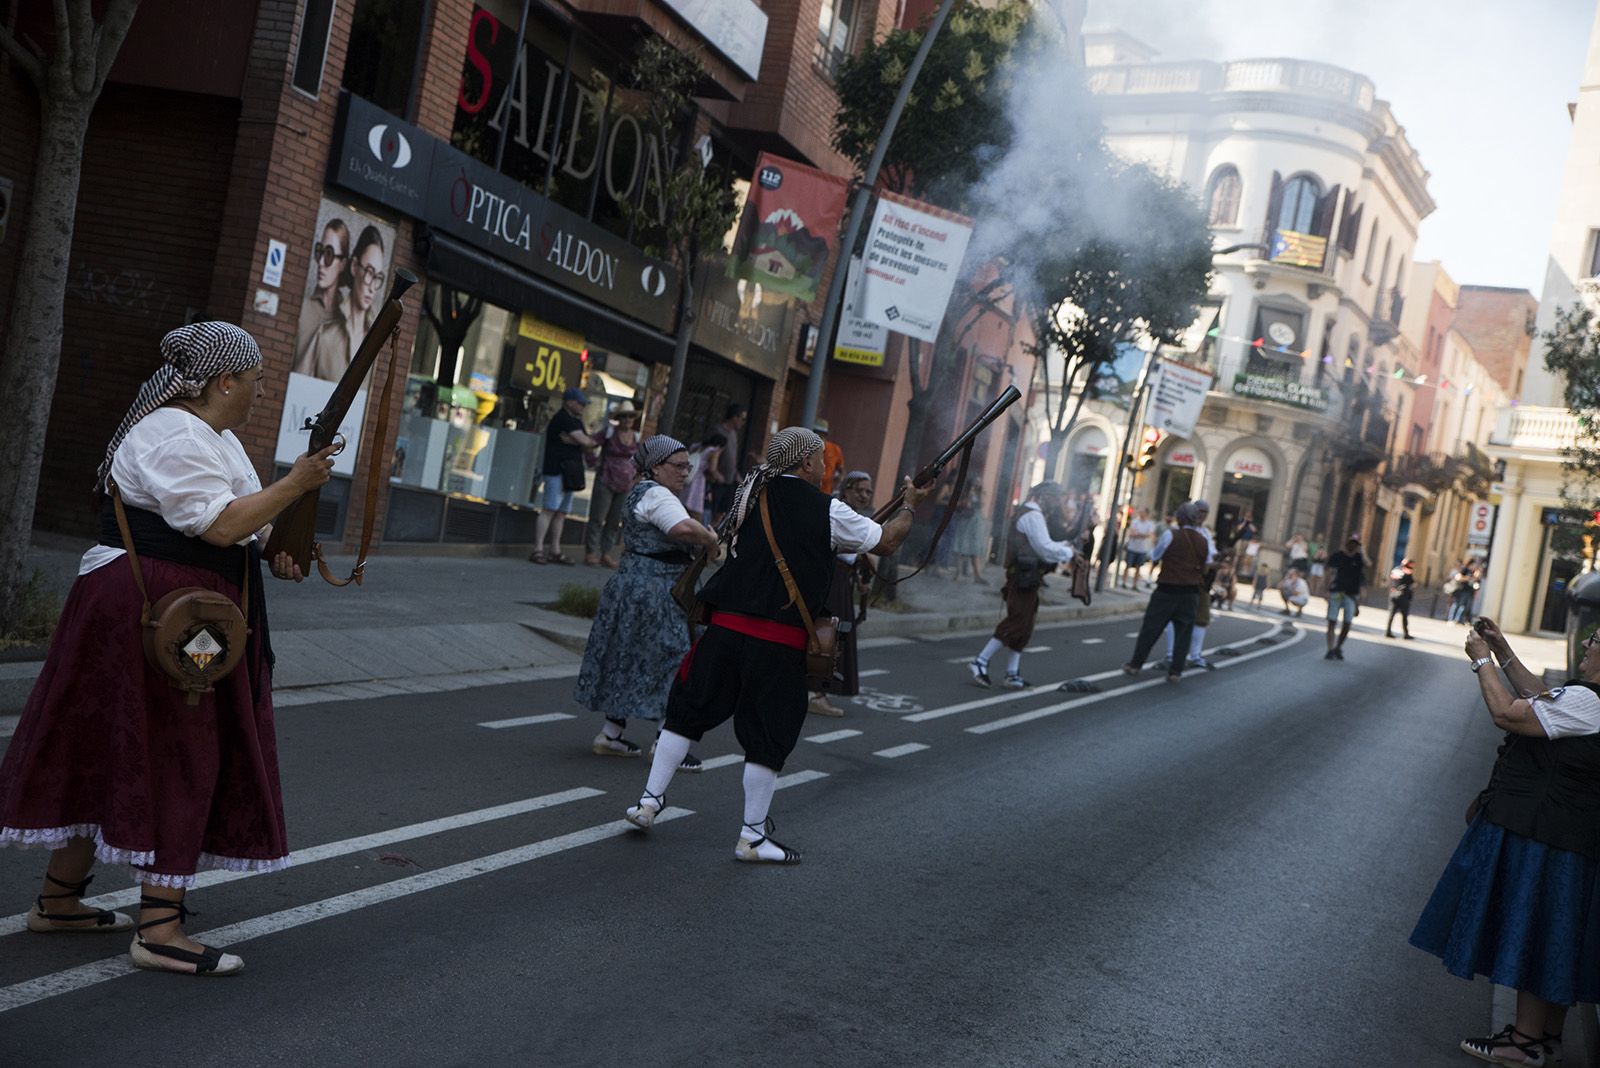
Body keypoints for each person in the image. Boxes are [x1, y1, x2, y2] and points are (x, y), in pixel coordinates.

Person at [0, 322, 337, 977]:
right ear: (224, 381)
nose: (263, 388)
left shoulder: (214, 439)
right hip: (163, 616)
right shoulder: (172, 433)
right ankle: (159, 931)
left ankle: (60, 902)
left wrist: (283, 547)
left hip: (178, 614)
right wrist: (295, 484)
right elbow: (218, 524)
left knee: (119, 744)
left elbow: (249, 530)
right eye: (258, 377)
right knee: (185, 744)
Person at [622, 428, 933, 863]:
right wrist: (911, 506)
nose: (825, 466)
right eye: (820, 458)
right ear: (805, 462)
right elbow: (888, 540)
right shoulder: (826, 508)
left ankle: (649, 801)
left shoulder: (748, 494)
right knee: (768, 733)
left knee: (687, 711)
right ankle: (751, 836)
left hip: (725, 628)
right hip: (778, 639)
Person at [1410, 618, 1600, 1067]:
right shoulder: (1586, 701)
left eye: (1597, 640)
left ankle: (1523, 1041)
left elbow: (1508, 713)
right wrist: (1502, 649)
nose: (1589, 643)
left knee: (1533, 929)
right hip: (1568, 835)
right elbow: (1546, 697)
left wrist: (1481, 662)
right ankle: (1544, 1037)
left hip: (1547, 833)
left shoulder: (1590, 704)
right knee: (1555, 932)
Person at [575, 435, 720, 764]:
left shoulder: (642, 492)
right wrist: (710, 539)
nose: (685, 472)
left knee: (628, 657)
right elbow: (680, 528)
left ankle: (611, 734)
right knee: (675, 661)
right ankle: (664, 743)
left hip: (632, 585)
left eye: (688, 466)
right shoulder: (657, 494)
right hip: (656, 590)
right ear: (656, 467)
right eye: (679, 466)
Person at [968, 483, 1077, 690]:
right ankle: (980, 661)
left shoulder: (1030, 513)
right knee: (1017, 622)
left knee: (1025, 625)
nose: (1055, 504)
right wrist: (1069, 552)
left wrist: (1065, 547)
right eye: (1053, 499)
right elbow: (1044, 549)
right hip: (1022, 578)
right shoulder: (1033, 516)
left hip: (1027, 577)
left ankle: (1012, 673)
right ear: (1043, 496)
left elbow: (1043, 545)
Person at [1122, 499, 1215, 682]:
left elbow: (1155, 555)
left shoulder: (1170, 535)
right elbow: (1207, 563)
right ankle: (1175, 672)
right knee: (1184, 633)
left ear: (1181, 518)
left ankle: (1135, 665)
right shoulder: (1204, 540)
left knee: (1151, 628)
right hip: (1190, 593)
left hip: (1167, 590)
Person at [809, 470, 877, 717]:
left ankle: (817, 691)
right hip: (831, 580)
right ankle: (815, 693)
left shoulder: (853, 515)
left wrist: (861, 577)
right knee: (827, 636)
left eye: (868, 491)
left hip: (842, 579)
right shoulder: (838, 511)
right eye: (860, 490)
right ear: (847, 489)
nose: (864, 495)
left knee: (833, 636)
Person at [296, 224, 386, 382]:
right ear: (354, 267)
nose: (372, 287)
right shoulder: (325, 335)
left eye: (377, 277)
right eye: (369, 272)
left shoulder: (378, 341)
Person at [530, 388, 598, 565]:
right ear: (569, 402)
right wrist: (582, 441)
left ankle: (555, 549)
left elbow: (587, 443)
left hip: (569, 472)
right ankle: (538, 549)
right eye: (579, 402)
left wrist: (579, 441)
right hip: (557, 469)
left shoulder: (575, 421)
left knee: (561, 512)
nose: (582, 406)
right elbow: (586, 442)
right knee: (549, 509)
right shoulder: (563, 419)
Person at [582, 401, 640, 567]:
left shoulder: (636, 438)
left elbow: (640, 460)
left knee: (615, 521)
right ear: (619, 418)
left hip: (626, 484)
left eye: (630, 416)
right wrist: (592, 461)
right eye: (624, 416)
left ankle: (606, 553)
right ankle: (591, 552)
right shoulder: (609, 433)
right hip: (606, 480)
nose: (628, 419)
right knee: (597, 517)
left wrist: (637, 477)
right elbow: (589, 444)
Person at [294, 217, 349, 367]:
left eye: (330, 254)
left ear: (342, 264)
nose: (322, 263)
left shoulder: (347, 318)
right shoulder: (304, 309)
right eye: (320, 252)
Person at [1324, 534, 1366, 660]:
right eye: (1351, 543)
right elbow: (1328, 571)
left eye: (1355, 544)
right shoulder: (1338, 556)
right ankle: (1330, 648)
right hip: (1337, 592)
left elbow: (1368, 564)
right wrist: (1326, 589)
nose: (1352, 545)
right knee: (1332, 620)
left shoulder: (1359, 559)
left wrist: (1362, 551)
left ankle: (1338, 647)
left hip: (1351, 595)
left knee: (1347, 623)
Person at [708, 403, 748, 526]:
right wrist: (714, 472)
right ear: (734, 417)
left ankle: (712, 531)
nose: (743, 422)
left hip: (729, 480)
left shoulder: (733, 434)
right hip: (716, 480)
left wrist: (738, 477)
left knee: (722, 511)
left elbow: (732, 457)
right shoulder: (718, 431)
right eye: (742, 419)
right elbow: (711, 452)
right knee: (711, 509)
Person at [679, 431, 725, 523]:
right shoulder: (714, 451)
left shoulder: (698, 447)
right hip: (697, 482)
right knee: (695, 511)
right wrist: (719, 477)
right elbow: (712, 469)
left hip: (688, 476)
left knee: (683, 507)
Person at [952, 481, 990, 585]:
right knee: (961, 547)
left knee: (975, 549)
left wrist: (980, 492)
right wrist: (970, 494)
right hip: (965, 521)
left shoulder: (981, 494)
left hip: (976, 522)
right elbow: (965, 504)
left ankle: (977, 575)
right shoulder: (966, 494)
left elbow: (982, 504)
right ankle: (958, 572)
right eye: (975, 483)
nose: (976, 485)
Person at [1121, 508, 1158, 590]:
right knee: (1128, 565)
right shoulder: (1135, 522)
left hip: (1142, 549)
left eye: (1143, 512)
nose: (1141, 514)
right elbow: (1132, 533)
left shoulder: (1149, 524)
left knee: (1138, 567)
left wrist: (1139, 535)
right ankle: (1124, 582)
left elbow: (1149, 534)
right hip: (1132, 547)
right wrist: (1142, 535)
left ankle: (1134, 584)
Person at [813, 418, 846, 496]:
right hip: (808, 487)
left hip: (826, 492)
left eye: (822, 434)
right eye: (816, 433)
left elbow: (841, 470)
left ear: (826, 435)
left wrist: (838, 481)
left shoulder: (834, 449)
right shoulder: (808, 447)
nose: (819, 436)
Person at [1386, 559, 1417, 639]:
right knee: (1404, 615)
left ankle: (1388, 631)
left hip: (1393, 594)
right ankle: (1405, 633)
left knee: (1391, 614)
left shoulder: (1395, 570)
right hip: (1403, 596)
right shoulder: (1407, 571)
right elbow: (1412, 583)